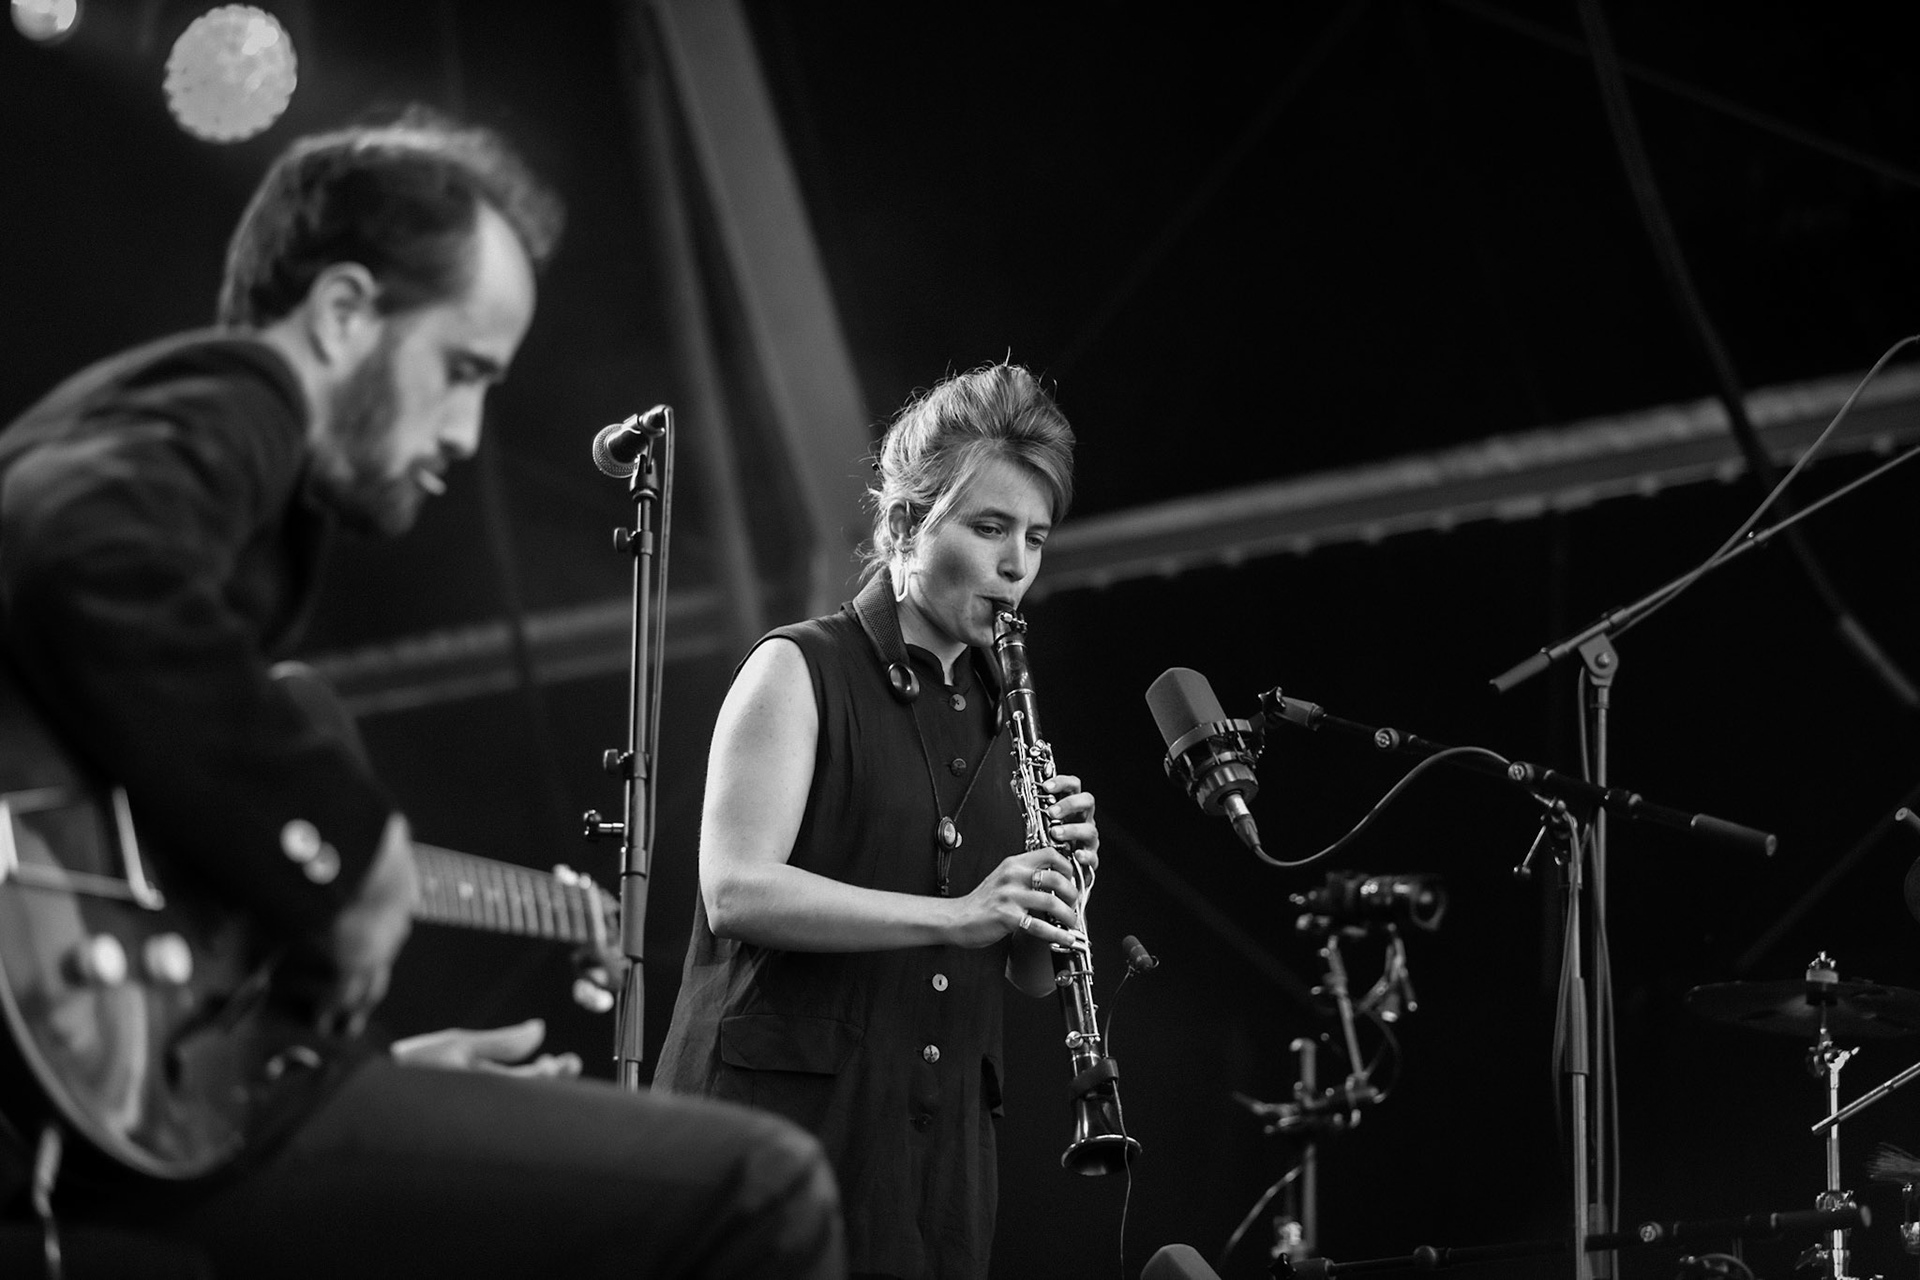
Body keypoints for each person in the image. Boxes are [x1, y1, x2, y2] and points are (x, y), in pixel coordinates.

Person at [0, 110, 844, 1279]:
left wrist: (371, 1060)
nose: (466, 433)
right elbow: (73, 541)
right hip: (54, 1106)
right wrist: (339, 850)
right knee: (765, 1188)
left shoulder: (208, 469)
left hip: (102, 1094)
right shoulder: (238, 396)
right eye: (462, 370)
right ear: (343, 313)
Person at [653, 364, 1102, 1280]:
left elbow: (1020, 973)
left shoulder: (1009, 721)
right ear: (903, 525)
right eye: (990, 528)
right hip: (781, 1145)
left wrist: (1060, 898)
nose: (1018, 564)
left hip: (933, 1174)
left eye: (1036, 537)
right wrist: (961, 912)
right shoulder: (797, 670)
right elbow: (734, 889)